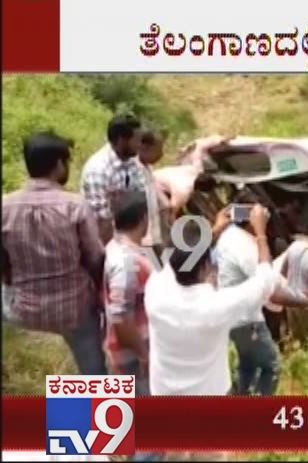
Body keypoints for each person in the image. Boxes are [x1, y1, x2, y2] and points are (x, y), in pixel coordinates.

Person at [2, 132, 107, 376]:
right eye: (67, 162)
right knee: (93, 370)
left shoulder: (4, 206)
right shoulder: (74, 205)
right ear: (59, 165)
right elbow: (95, 258)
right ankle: (88, 410)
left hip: (22, 309)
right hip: (74, 308)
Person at [145, 205, 278, 396]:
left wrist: (215, 230)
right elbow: (266, 280)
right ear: (205, 268)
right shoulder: (216, 306)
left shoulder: (156, 288)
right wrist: (260, 233)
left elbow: (178, 261)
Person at [214, 211, 308, 395]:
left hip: (232, 315)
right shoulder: (246, 246)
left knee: (247, 366)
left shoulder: (229, 235)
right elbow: (273, 292)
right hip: (246, 320)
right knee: (271, 367)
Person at [102, 192, 153, 396]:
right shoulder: (126, 262)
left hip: (135, 346)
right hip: (133, 352)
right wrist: (143, 354)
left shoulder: (119, 248)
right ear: (144, 219)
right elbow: (120, 317)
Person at [81, 114, 145, 244]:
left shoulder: (133, 163)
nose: (140, 144)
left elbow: (141, 200)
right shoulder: (98, 170)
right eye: (136, 140)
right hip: (103, 242)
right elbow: (101, 222)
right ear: (122, 140)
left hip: (127, 236)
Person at [152, 135, 229, 219]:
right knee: (167, 209)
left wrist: (219, 140)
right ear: (199, 189)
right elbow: (172, 209)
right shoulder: (183, 190)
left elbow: (200, 147)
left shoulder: (197, 169)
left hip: (162, 176)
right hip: (153, 184)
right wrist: (173, 221)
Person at [137, 129, 171, 251]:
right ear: (144, 147)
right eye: (159, 149)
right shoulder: (134, 171)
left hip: (153, 237)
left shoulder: (147, 168)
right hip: (143, 241)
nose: (161, 154)